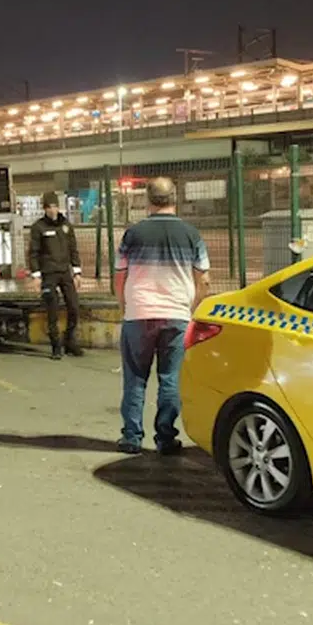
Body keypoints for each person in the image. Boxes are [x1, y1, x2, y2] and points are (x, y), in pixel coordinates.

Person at [113, 177, 210, 455]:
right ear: (174, 198)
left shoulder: (133, 235)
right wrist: (191, 309)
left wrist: (124, 306)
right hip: (177, 314)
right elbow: (204, 280)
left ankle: (131, 437)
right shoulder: (191, 234)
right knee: (170, 379)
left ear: (148, 199)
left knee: (135, 378)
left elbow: (119, 276)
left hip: (138, 314)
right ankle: (165, 438)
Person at [28, 191, 83, 360]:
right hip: (48, 274)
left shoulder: (66, 225)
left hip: (65, 272)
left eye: (54, 207)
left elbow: (73, 248)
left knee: (74, 307)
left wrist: (77, 271)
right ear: (44, 209)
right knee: (52, 309)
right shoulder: (38, 227)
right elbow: (33, 253)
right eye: (49, 207)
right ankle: (56, 346)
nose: (52, 210)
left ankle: (69, 341)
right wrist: (36, 275)